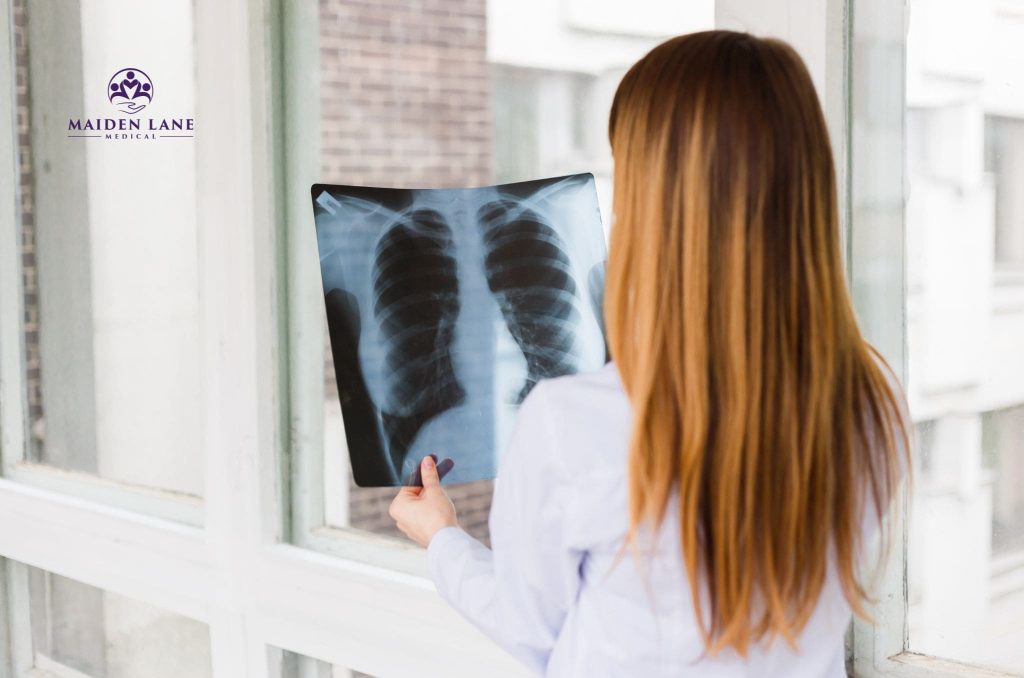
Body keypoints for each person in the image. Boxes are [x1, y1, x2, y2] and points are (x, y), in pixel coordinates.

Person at [389, 30, 910, 677]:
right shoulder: (870, 400)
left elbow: (533, 629)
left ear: (657, 204)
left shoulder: (573, 419)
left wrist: (442, 538)